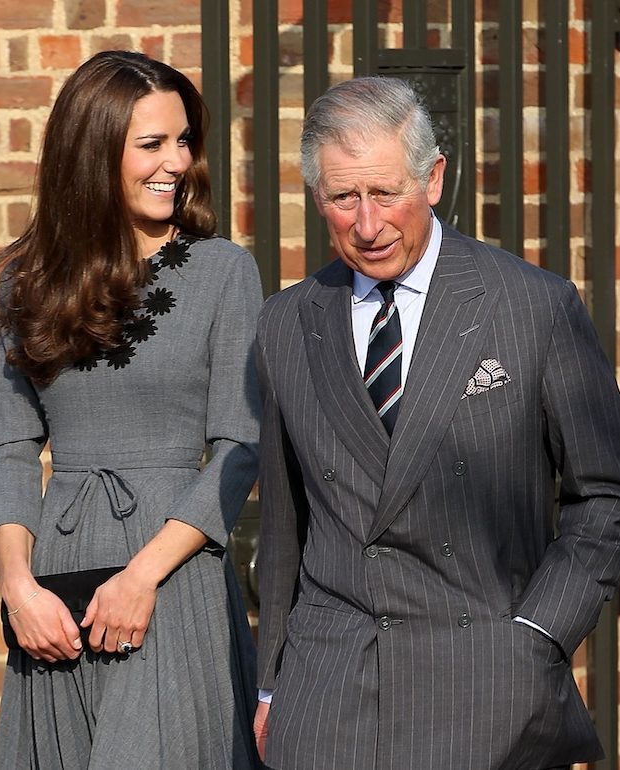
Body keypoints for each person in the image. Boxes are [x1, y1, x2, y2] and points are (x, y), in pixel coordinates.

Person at [253, 75, 620, 770]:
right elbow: (283, 529)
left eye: (385, 193)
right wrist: (273, 686)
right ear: (317, 199)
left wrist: (537, 637)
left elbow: (603, 496)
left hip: (488, 683)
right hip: (326, 699)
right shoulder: (284, 324)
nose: (367, 225)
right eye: (342, 198)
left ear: (433, 179)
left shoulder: (531, 307)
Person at [0, 50, 263, 770]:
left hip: (172, 574)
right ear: (93, 151)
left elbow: (240, 441)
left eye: (182, 140)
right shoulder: (28, 283)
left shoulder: (222, 271)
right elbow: (12, 449)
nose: (175, 162)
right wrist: (17, 587)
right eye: (151, 144)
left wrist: (142, 578)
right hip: (58, 583)